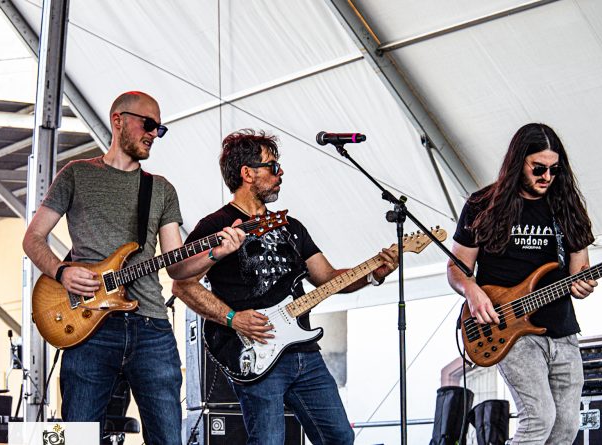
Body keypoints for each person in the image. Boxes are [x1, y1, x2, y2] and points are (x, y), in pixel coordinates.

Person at [22, 91, 245, 445]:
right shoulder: (77, 174)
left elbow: (177, 267)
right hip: (88, 328)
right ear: (118, 120)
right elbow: (33, 238)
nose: (154, 134)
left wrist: (216, 253)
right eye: (149, 124)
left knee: (167, 438)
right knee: (77, 437)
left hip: (151, 328)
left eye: (160, 129)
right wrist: (62, 272)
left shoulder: (161, 189)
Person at [172, 129, 398, 445]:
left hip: (304, 351)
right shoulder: (214, 226)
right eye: (273, 166)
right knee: (268, 441)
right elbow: (182, 285)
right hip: (256, 350)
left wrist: (373, 273)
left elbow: (327, 277)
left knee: (339, 437)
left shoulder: (291, 226)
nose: (280, 174)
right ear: (247, 173)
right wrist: (233, 319)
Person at [446, 123, 597, 444]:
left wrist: (583, 284)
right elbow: (457, 269)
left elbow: (579, 271)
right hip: (509, 328)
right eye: (538, 168)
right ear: (518, 162)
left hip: (562, 330)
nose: (547, 176)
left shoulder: (568, 208)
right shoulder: (482, 205)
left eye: (554, 169)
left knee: (567, 426)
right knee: (539, 418)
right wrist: (472, 292)